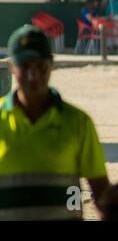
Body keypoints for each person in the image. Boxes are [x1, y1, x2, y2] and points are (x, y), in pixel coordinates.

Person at [0, 25, 110, 220]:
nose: (33, 75)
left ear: (51, 64)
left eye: (40, 66)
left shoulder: (78, 122)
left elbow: (100, 191)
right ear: (11, 67)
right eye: (25, 66)